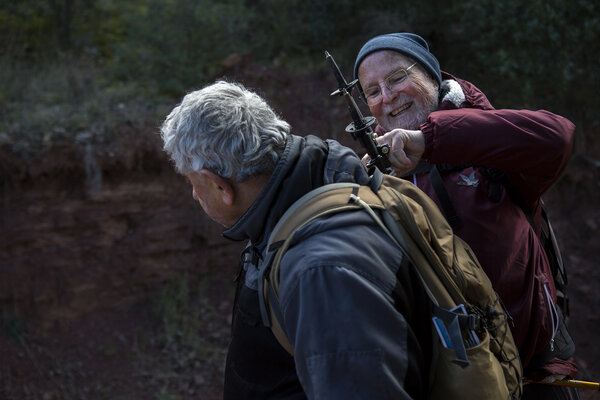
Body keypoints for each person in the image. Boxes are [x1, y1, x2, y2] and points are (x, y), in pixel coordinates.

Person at [159, 80, 433, 399]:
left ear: (218, 186)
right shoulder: (299, 197)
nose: (194, 194)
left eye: (194, 184)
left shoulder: (321, 273)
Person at [354, 32, 578, 399]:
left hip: (537, 372)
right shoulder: (379, 175)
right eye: (372, 91)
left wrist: (430, 141)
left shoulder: (490, 139)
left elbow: (558, 137)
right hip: (456, 381)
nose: (387, 96)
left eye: (396, 78)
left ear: (431, 77)